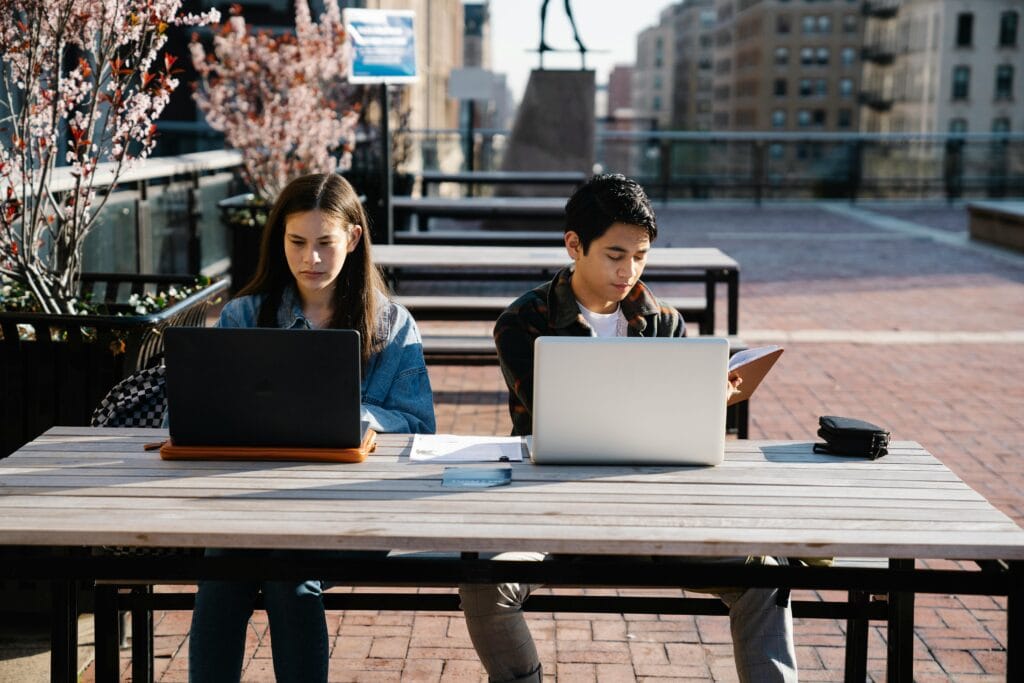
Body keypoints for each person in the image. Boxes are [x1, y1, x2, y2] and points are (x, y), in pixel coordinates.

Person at [458, 174, 797, 683]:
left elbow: (678, 440)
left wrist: (705, 403)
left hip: (649, 506)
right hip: (551, 505)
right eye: (616, 255)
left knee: (765, 578)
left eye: (640, 255)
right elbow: (559, 418)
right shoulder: (524, 321)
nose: (629, 270)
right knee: (484, 581)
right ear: (574, 244)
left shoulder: (662, 321)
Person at [188, 172, 436, 683]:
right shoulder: (243, 317)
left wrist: (356, 416)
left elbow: (420, 428)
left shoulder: (392, 326)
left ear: (353, 238)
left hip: (351, 507)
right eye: (297, 242)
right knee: (223, 570)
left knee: (285, 564)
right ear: (279, 240)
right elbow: (193, 421)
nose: (311, 259)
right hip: (249, 500)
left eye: (325, 243)